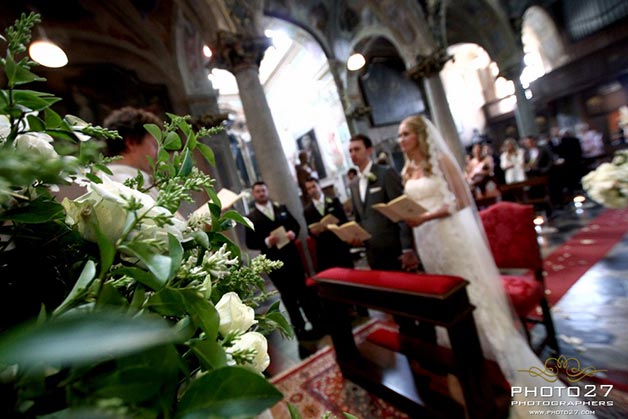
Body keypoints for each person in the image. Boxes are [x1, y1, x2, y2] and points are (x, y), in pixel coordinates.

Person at [396, 114, 592, 418]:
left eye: (405, 134)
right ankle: (466, 363)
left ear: (421, 136)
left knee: (471, 298)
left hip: (449, 236)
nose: (401, 140)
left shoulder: (441, 163)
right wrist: (409, 218)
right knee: (444, 299)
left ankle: (502, 365)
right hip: (427, 242)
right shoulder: (407, 170)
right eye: (399, 135)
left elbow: (461, 201)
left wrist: (426, 218)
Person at [244, 181, 323, 341]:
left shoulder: (281, 208)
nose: (261, 193)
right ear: (254, 194)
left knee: (303, 292)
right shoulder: (251, 217)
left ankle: (317, 323)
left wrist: (292, 233)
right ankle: (300, 329)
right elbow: (250, 242)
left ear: (267, 191)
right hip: (273, 262)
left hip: (292, 256)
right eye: (258, 191)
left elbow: (295, 225)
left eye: (263, 190)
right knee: (288, 296)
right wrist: (266, 241)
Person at [348, 134, 419, 272]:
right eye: (350, 151)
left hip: (394, 248)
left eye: (357, 149)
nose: (353, 154)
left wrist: (407, 248)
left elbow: (402, 212)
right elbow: (359, 218)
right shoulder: (354, 184)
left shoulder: (385, 173)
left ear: (369, 151)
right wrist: (355, 237)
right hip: (372, 252)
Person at [103, 106, 161, 199]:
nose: (157, 153)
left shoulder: (103, 179)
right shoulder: (128, 183)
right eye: (154, 144)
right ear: (131, 142)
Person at [303, 176, 353, 271]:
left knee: (347, 273)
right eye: (309, 189)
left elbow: (344, 220)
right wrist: (313, 232)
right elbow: (309, 230)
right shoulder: (307, 210)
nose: (312, 190)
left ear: (319, 186)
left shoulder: (334, 201)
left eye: (314, 186)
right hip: (324, 249)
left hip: (339, 244)